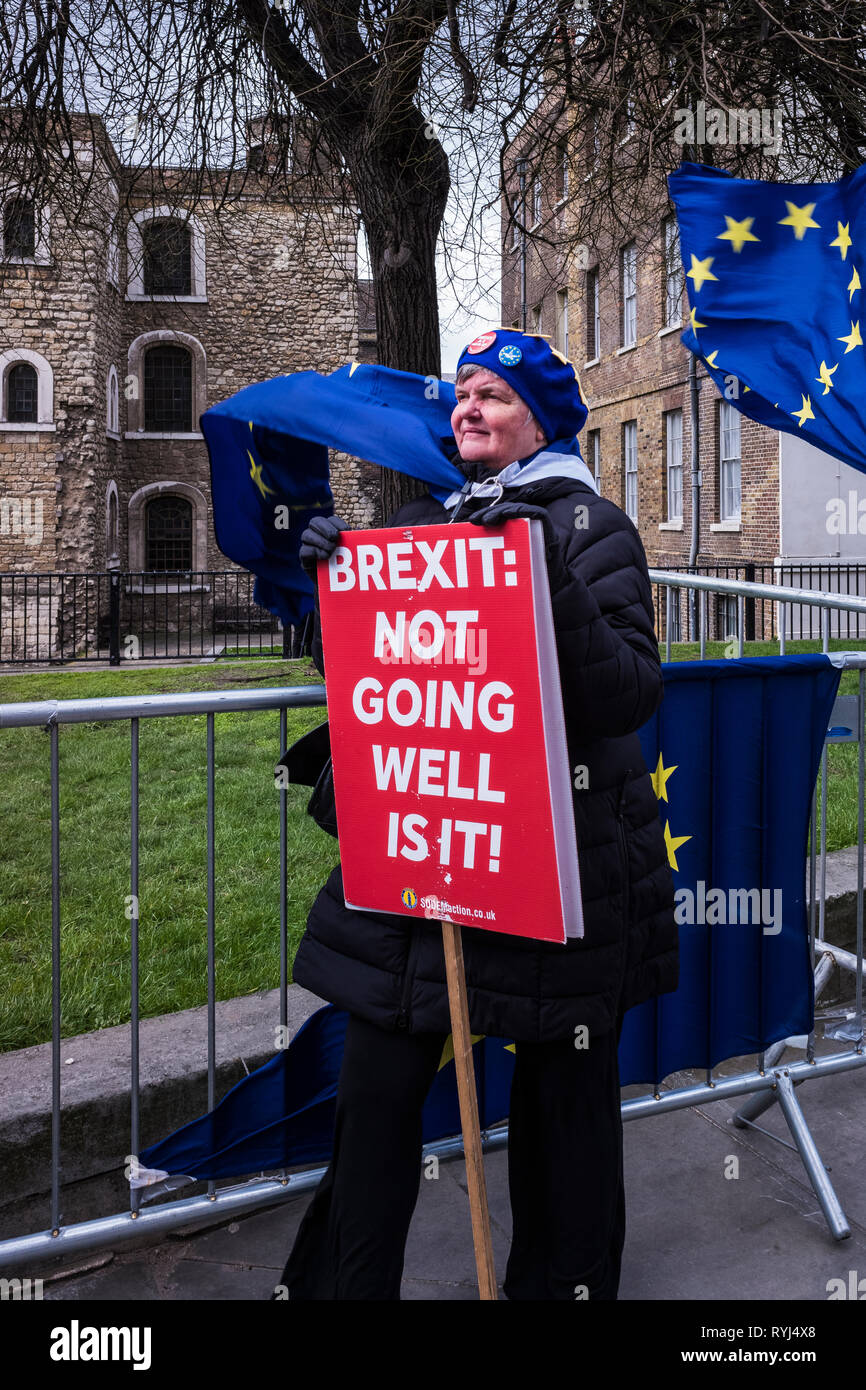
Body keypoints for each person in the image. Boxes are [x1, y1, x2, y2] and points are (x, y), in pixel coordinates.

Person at [275, 328, 678, 1300]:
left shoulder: (590, 526)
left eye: (492, 395)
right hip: (430, 859)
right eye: (460, 395)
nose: (466, 410)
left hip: (556, 865)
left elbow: (624, 692)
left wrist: (539, 570)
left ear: (537, 418)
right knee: (374, 1093)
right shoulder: (420, 519)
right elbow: (371, 684)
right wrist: (328, 592)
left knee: (562, 1100)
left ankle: (563, 1285)